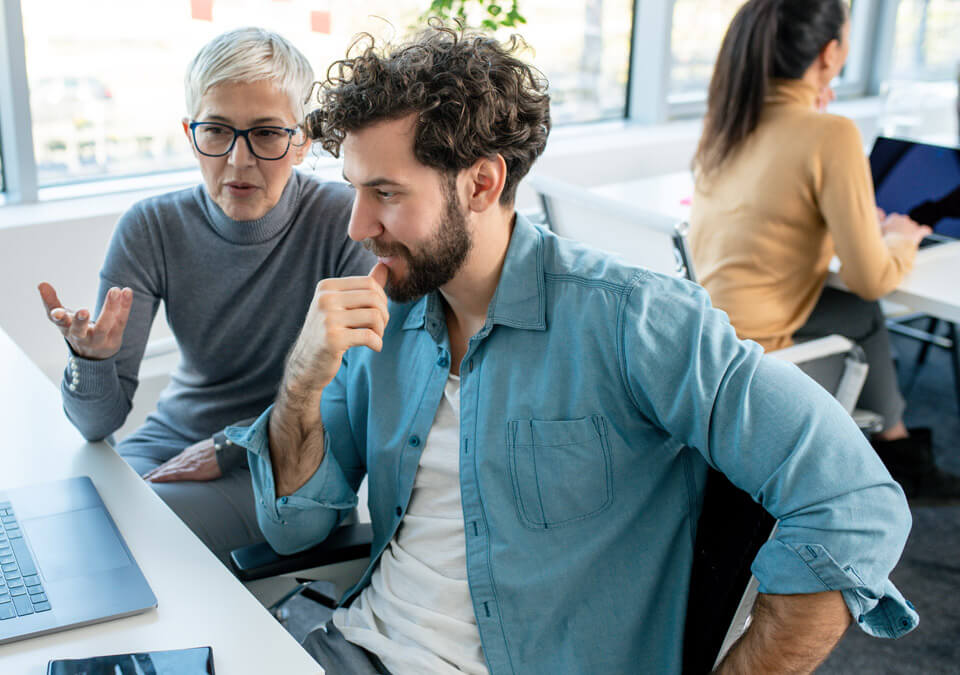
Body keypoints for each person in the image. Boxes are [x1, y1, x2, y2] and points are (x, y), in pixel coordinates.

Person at [225, 25, 917, 674]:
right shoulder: (385, 317)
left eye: (385, 193)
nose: (358, 223)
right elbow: (295, 528)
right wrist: (301, 382)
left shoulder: (631, 320)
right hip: (349, 646)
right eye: (354, 189)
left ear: (482, 183)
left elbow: (853, 501)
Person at [37, 28, 373, 565]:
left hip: (288, 460)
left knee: (122, 532)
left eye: (265, 134)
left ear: (303, 138)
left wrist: (231, 445)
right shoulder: (151, 226)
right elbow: (96, 423)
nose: (238, 161)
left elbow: (352, 406)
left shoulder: (344, 221)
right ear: (191, 132)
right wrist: (91, 361)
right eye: (216, 131)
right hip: (176, 434)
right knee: (65, 511)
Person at [687, 0, 960, 501]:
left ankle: (896, 447)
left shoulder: (727, 120)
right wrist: (901, 236)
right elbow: (872, 277)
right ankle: (899, 458)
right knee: (865, 303)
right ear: (830, 53)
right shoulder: (829, 134)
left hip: (707, 336)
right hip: (760, 353)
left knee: (854, 309)